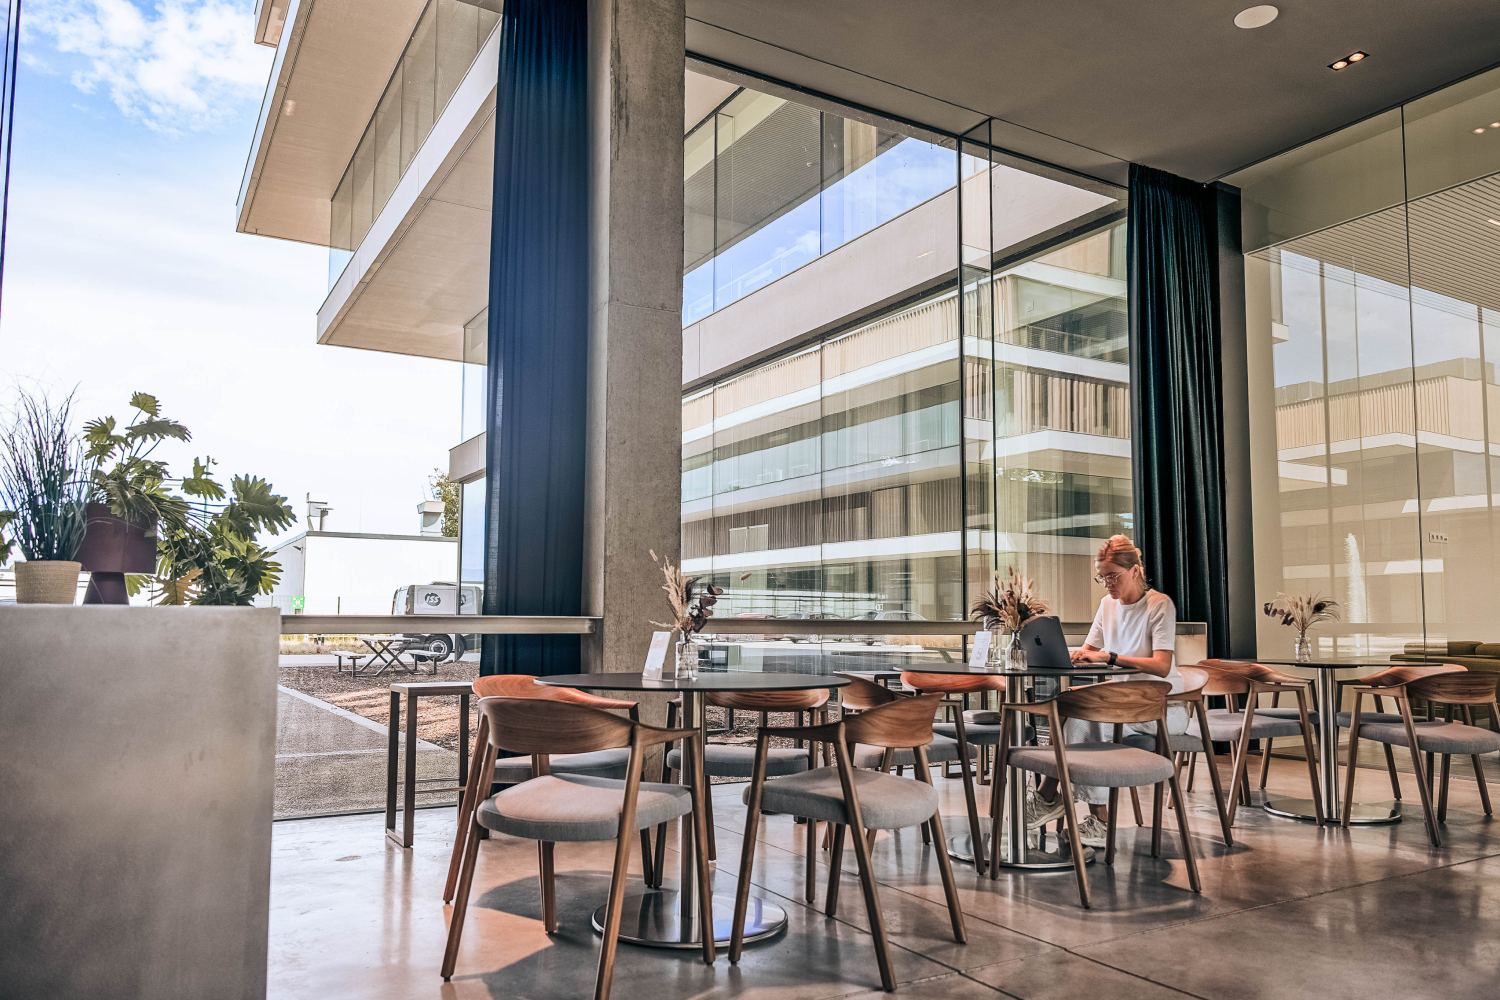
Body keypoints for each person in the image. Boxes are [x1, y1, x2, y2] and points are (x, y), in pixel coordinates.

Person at [1027, 534, 1186, 848]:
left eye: (1113, 576)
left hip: (1158, 707)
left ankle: (1071, 807)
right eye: (1102, 577)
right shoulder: (1107, 605)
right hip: (1119, 701)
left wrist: (1109, 657)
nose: (1107, 583)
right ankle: (1074, 807)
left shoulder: (1159, 605)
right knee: (1069, 708)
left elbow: (1162, 666)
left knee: (1088, 717)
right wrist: (1070, 655)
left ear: (1135, 571)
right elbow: (1090, 649)